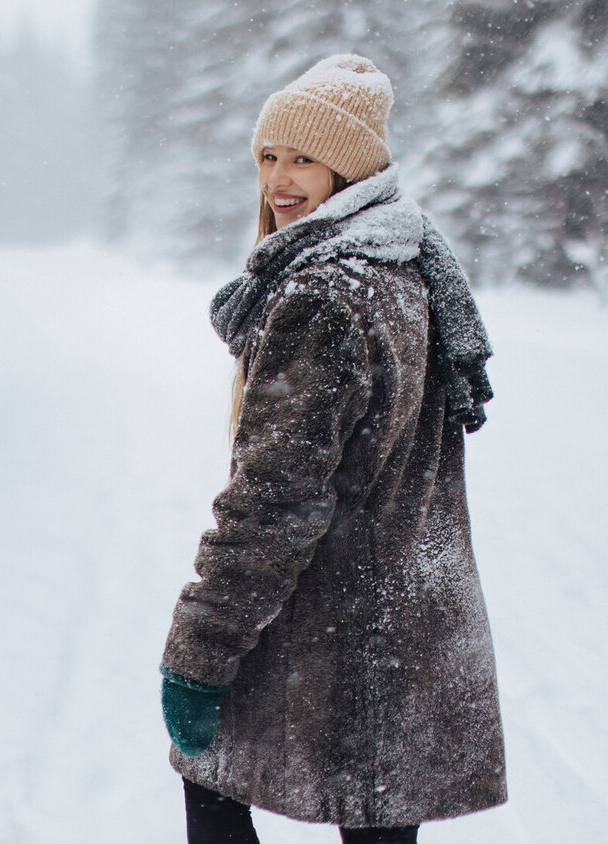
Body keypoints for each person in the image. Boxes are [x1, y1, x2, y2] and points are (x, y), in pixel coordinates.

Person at [159, 55, 507, 844]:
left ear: (350, 170)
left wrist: (201, 648)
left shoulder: (323, 293)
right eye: (269, 157)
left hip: (335, 630)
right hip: (410, 622)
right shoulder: (408, 265)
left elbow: (274, 500)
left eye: (305, 159)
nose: (280, 180)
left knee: (208, 781)